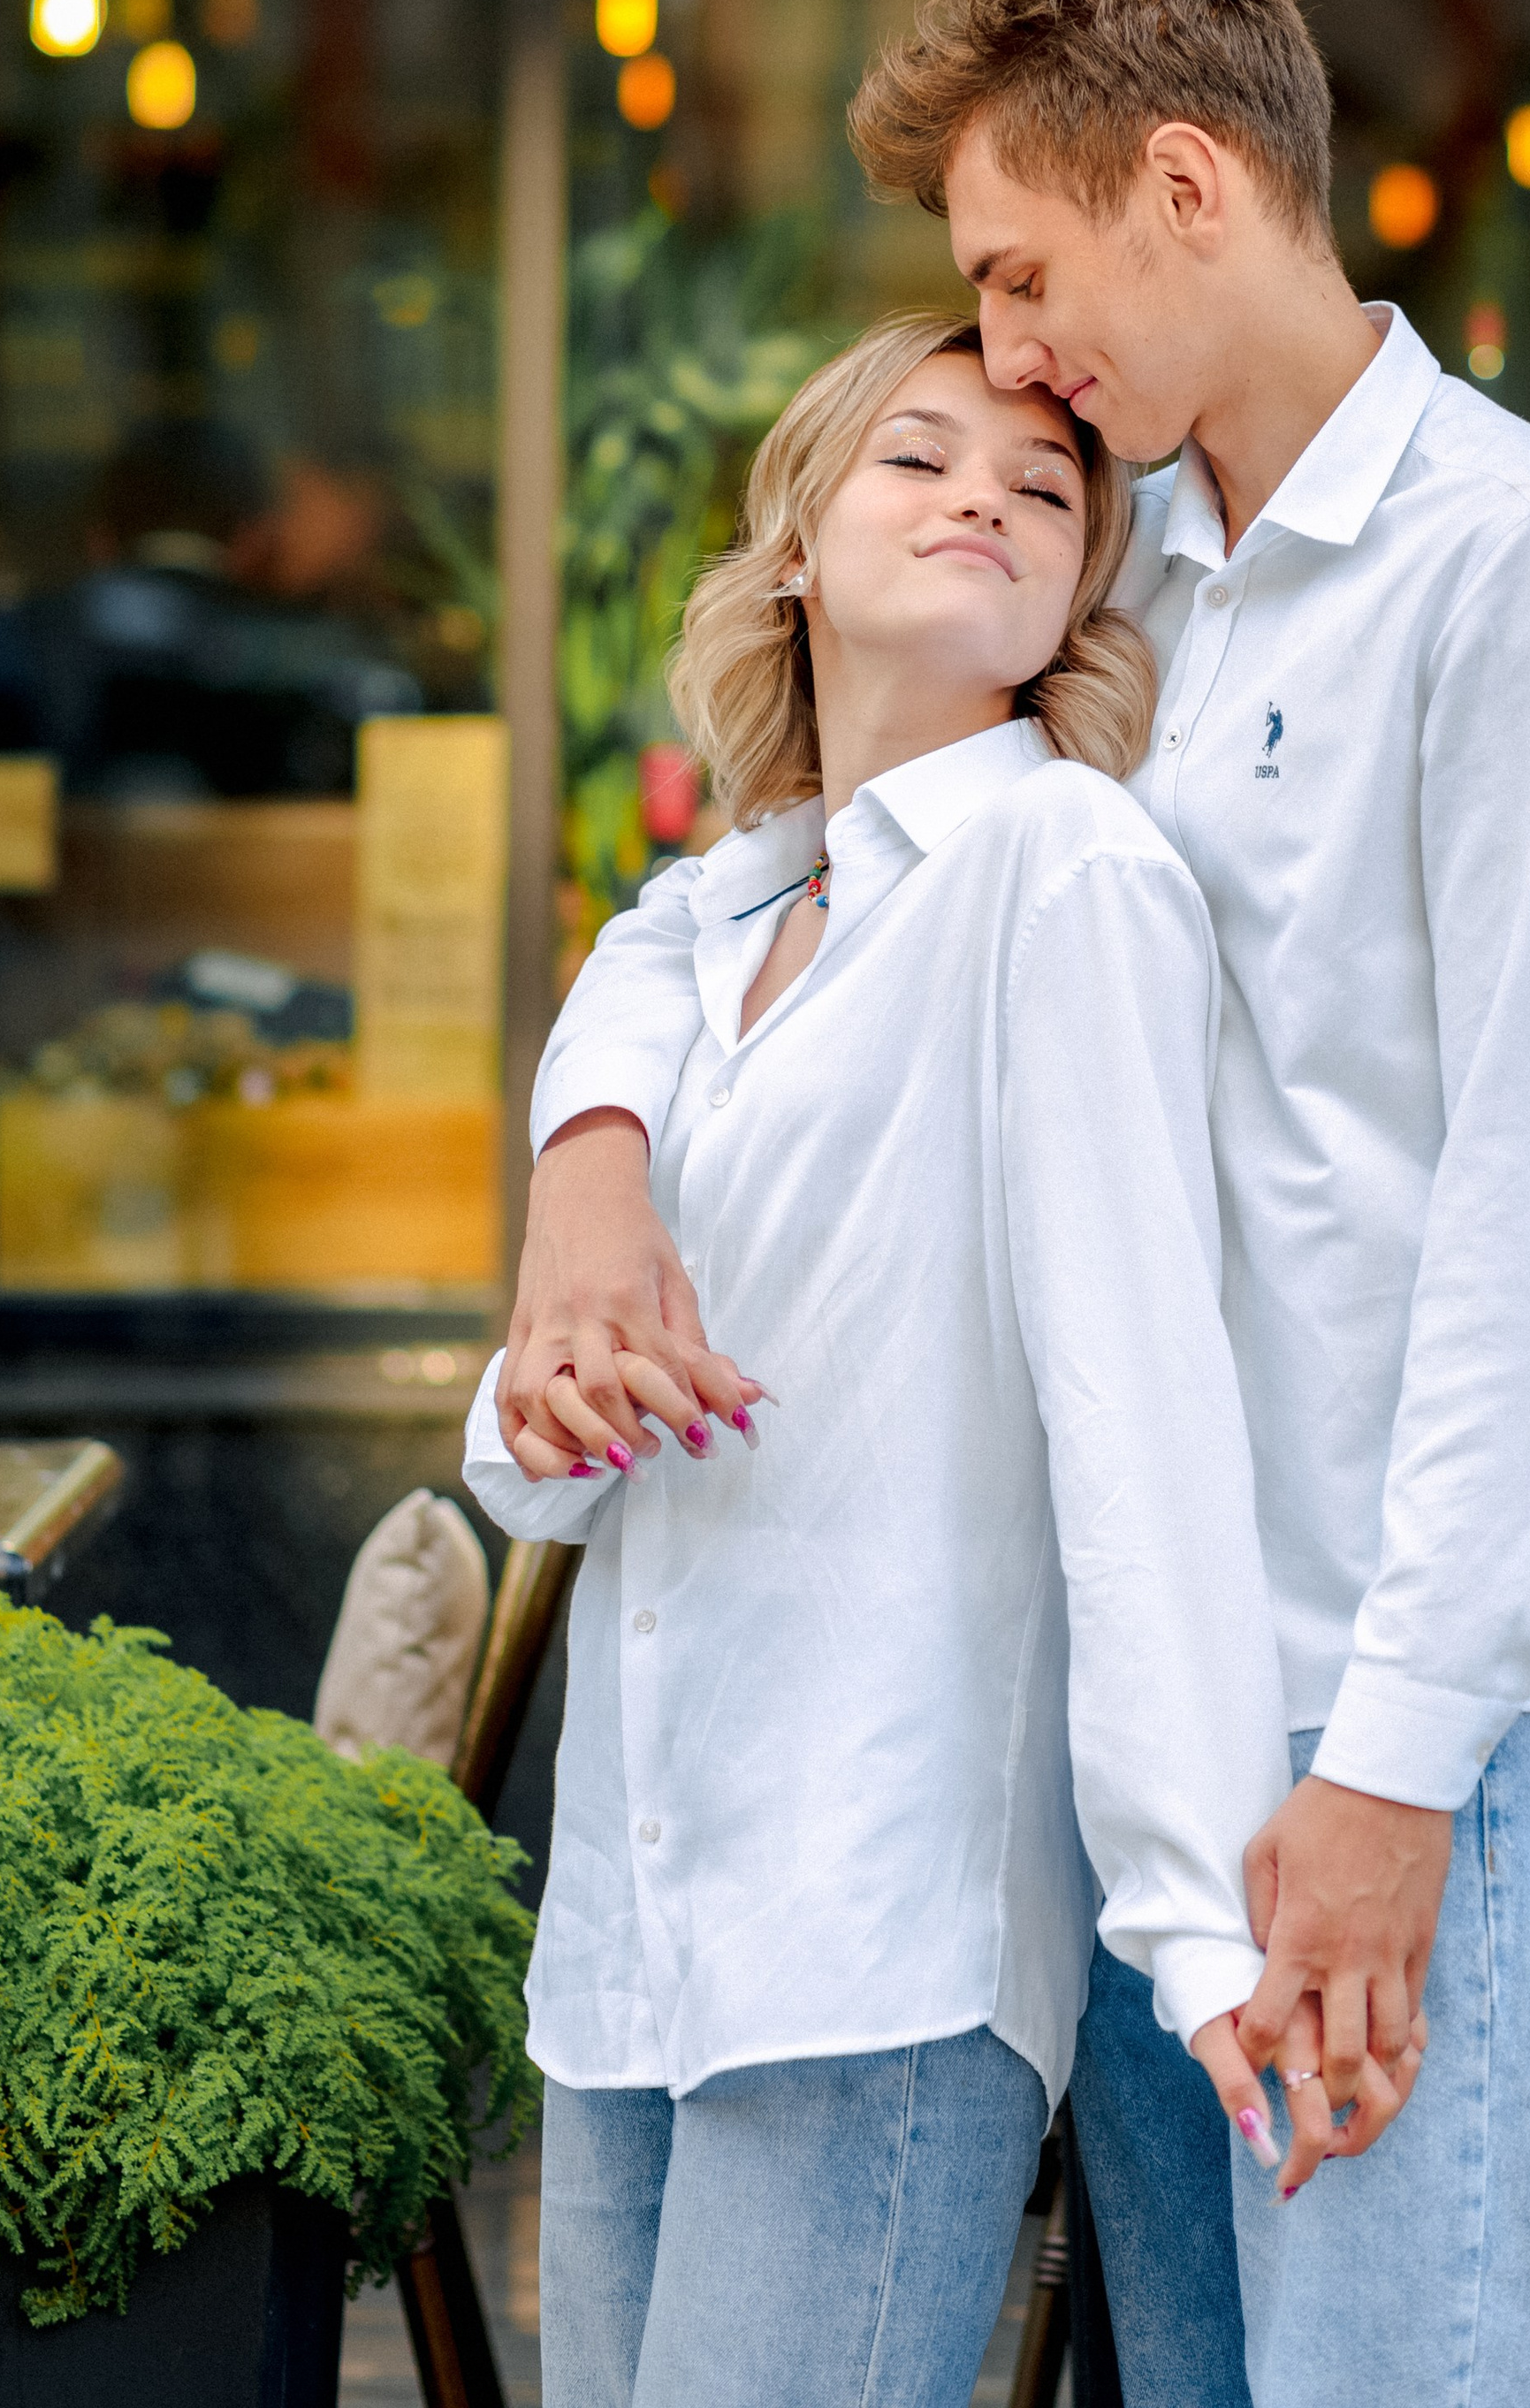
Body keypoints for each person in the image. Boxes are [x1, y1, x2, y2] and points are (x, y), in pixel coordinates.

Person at [505, 0, 1530, 2407]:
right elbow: (757, 880)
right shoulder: (1127, 571)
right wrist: (594, 1157)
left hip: (1427, 1738)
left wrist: (1386, 1786)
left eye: (1021, 271)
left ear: (1189, 185)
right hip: (1153, 1736)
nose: (1010, 358)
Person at [466, 311, 1374, 2408]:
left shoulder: (1062, 875)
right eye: (917, 456)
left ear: (1075, 596)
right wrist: (559, 1318)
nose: (983, 490)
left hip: (872, 1939)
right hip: (630, 1935)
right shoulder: (710, 932)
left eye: (1045, 489)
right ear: (792, 538)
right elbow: (546, 1466)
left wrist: (1186, 1918)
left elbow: (1138, 1411)